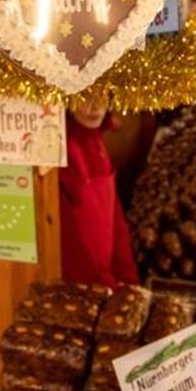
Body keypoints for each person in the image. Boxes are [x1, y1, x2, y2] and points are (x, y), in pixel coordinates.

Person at [59, 98, 140, 288]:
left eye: (101, 95)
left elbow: (114, 216)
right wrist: (105, 286)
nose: (94, 106)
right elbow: (71, 241)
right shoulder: (64, 152)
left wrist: (126, 277)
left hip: (106, 280)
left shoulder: (98, 144)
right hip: (85, 287)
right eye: (84, 95)